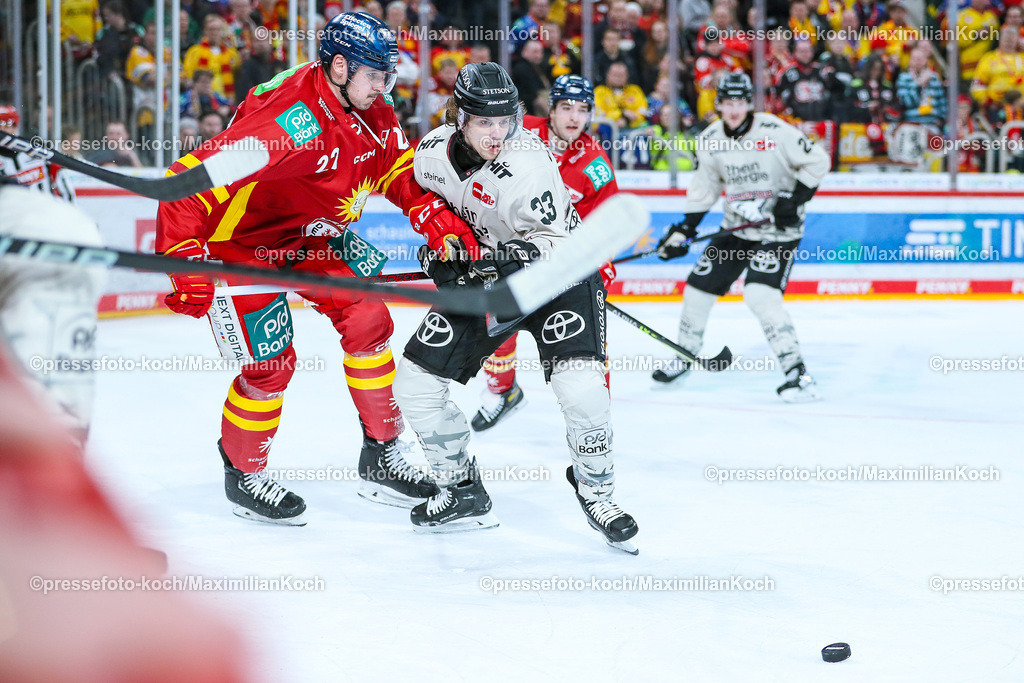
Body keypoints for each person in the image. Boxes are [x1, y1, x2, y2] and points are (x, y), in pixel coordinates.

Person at [156, 12, 472, 525]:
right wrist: (183, 257)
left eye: (388, 75)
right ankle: (244, 473)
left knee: (369, 319)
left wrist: (433, 218)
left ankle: (382, 455)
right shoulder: (291, 120)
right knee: (271, 366)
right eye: (376, 75)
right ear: (340, 67)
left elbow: (395, 168)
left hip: (312, 236)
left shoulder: (370, 104)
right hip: (243, 244)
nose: (385, 87)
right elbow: (189, 182)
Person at [393, 62, 638, 553]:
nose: (498, 134)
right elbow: (419, 194)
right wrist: (441, 239)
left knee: (582, 389)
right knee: (415, 383)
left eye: (506, 121)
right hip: (490, 279)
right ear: (459, 117)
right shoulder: (431, 152)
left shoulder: (529, 164)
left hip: (560, 280)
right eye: (485, 122)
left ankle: (597, 490)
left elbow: (557, 248)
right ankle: (461, 489)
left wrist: (497, 261)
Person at [652, 73, 830, 402]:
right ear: (718, 104)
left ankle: (797, 372)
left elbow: (818, 160)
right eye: (727, 103)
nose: (734, 110)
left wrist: (793, 200)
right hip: (737, 228)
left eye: (740, 102)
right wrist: (685, 229)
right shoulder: (710, 139)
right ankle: (684, 355)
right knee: (697, 290)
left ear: (749, 104)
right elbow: (705, 189)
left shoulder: (774, 130)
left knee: (760, 295)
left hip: (778, 231)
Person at [469, 74, 619, 432]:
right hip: (512, 252)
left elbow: (607, 228)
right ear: (551, 109)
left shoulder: (595, 165)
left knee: (586, 346)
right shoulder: (519, 132)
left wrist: (598, 275)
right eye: (566, 107)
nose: (574, 117)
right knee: (495, 327)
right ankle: (503, 392)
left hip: (561, 263)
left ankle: (595, 418)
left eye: (582, 109)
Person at [0, 105, 75, 202]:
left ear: (16, 126)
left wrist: (68, 207)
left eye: (8, 125)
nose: (3, 131)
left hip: (47, 209)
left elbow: (61, 180)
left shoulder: (39, 150)